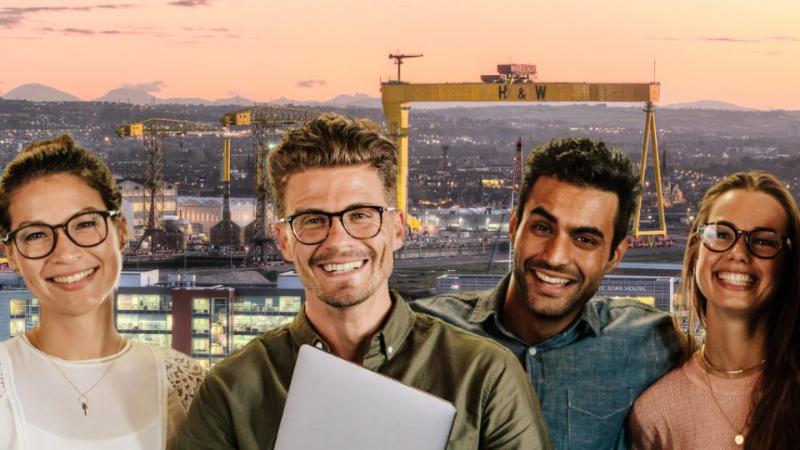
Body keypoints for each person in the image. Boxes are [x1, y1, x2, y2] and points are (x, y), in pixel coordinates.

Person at [176, 113, 551, 450]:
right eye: (312, 220)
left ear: (398, 229)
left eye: (360, 215)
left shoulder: (483, 376)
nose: (338, 241)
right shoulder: (232, 389)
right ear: (283, 240)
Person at [412, 137, 684, 449]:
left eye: (584, 239)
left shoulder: (653, 343)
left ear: (614, 256)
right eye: (542, 228)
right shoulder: (427, 334)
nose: (555, 256)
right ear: (514, 227)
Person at [0, 135, 204, 450]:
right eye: (37, 234)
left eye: (84, 224)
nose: (65, 253)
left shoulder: (183, 382)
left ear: (121, 230)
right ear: (11, 254)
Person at [628, 171, 800, 449]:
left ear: (788, 265)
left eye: (764, 240)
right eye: (721, 234)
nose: (739, 253)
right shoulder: (657, 413)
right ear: (696, 251)